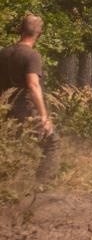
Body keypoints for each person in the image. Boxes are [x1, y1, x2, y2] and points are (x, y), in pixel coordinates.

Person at [0, 13, 60, 184]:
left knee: (11, 148)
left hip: (5, 110)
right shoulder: (32, 55)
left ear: (20, 30)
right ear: (39, 33)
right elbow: (33, 85)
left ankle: (10, 185)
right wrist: (44, 116)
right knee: (52, 142)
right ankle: (40, 188)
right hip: (25, 110)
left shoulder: (3, 53)